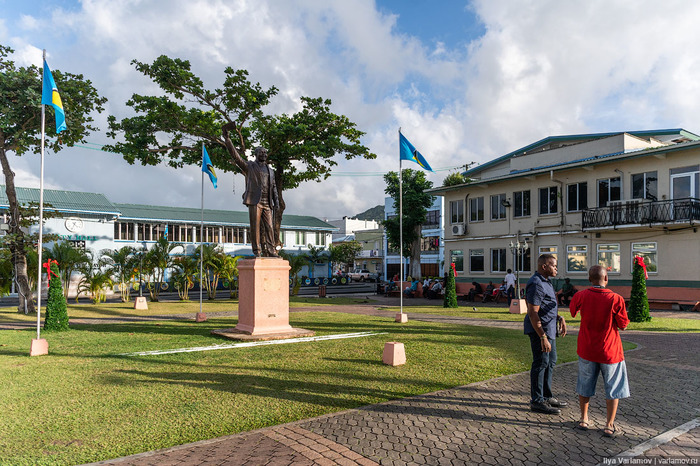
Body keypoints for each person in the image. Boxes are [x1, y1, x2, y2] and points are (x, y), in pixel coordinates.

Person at [569, 265, 630, 436]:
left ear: (589, 279)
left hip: (587, 349)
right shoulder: (616, 299)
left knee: (584, 384)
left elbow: (573, 311)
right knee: (613, 387)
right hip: (610, 351)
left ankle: (584, 419)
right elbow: (623, 325)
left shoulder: (580, 296)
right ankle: (609, 425)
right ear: (606, 279)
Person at [223, 122, 279, 258]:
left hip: (267, 203)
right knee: (255, 227)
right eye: (261, 152)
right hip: (255, 201)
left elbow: (274, 187)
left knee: (270, 227)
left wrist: (276, 201)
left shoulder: (271, 171)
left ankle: (271, 250)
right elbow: (236, 157)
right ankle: (257, 251)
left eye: (265, 152)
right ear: (256, 154)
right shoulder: (250, 166)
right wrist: (227, 140)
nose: (264, 154)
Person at [524, 254, 568, 414]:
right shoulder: (536, 283)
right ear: (544, 266)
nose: (556, 268)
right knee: (541, 363)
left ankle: (547, 396)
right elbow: (533, 312)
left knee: (550, 362)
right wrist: (542, 336)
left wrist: (559, 317)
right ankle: (537, 401)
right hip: (540, 331)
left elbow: (545, 305)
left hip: (550, 329)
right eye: (553, 266)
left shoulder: (546, 282)